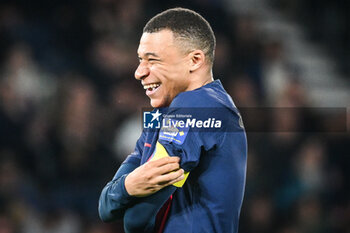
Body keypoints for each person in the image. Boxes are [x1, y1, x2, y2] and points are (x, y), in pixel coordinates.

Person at [98, 7, 247, 233]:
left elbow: (134, 219)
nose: (139, 72)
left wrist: (125, 189)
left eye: (153, 60)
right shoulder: (162, 115)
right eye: (140, 60)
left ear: (195, 60)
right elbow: (105, 208)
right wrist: (129, 186)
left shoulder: (200, 106)